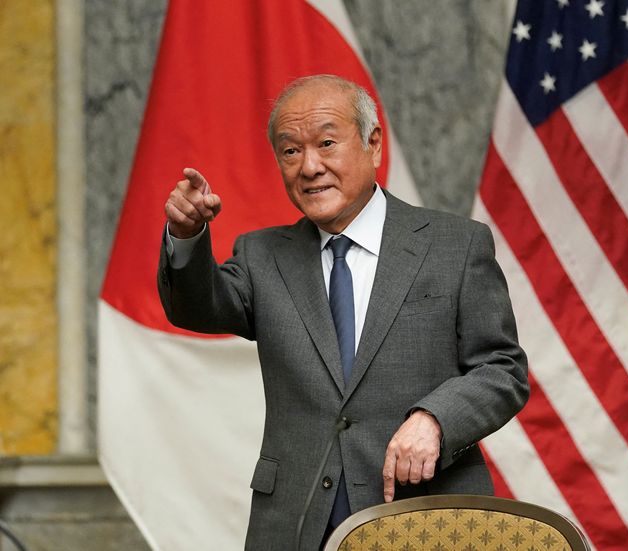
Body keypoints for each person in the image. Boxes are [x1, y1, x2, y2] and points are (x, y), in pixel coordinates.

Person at [158, 74, 529, 550]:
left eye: (327, 143)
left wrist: (436, 419)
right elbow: (197, 308)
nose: (309, 166)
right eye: (291, 151)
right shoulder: (262, 255)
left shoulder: (454, 244)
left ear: (373, 143)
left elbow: (502, 368)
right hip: (294, 523)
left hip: (426, 515)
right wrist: (186, 237)